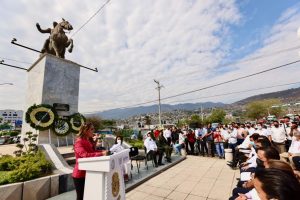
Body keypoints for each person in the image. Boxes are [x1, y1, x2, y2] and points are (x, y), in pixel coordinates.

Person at [72, 122, 107, 200]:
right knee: (81, 197)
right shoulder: (79, 142)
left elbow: (92, 152)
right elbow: (85, 155)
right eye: (91, 129)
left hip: (89, 172)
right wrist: (101, 153)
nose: (93, 130)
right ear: (85, 130)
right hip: (80, 174)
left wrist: (103, 153)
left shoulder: (87, 140)